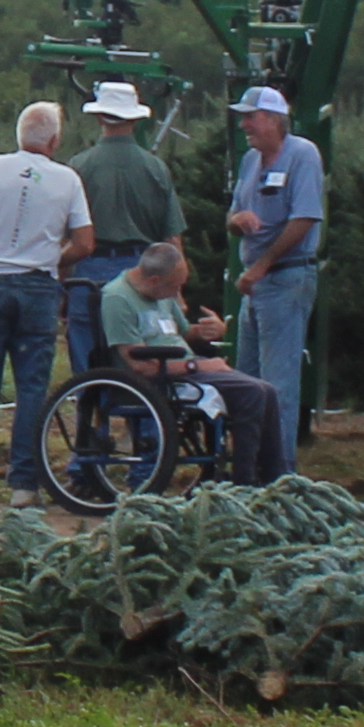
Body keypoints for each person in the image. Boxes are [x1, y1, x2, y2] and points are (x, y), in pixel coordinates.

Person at [0, 104, 94, 505]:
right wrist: (51, 259)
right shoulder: (67, 179)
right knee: (31, 387)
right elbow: (84, 243)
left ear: (19, 135)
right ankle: (24, 485)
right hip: (37, 289)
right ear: (54, 140)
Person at [96, 236, 291, 483]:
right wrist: (198, 365)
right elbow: (140, 366)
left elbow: (184, 332)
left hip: (185, 366)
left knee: (268, 391)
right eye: (175, 286)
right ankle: (245, 481)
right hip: (161, 378)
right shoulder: (117, 299)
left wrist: (211, 330)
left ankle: (275, 477)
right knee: (251, 392)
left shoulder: (160, 293)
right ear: (155, 280)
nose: (178, 293)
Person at [64, 81, 182, 382]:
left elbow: (66, 235)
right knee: (143, 356)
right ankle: (143, 422)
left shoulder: (78, 167)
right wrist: (176, 291)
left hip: (88, 269)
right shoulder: (155, 168)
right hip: (142, 272)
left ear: (100, 117)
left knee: (88, 355)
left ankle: (92, 421)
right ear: (134, 118)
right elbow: (172, 239)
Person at [226, 85, 328, 419]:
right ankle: (249, 465)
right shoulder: (249, 161)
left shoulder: (302, 154)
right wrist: (237, 220)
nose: (244, 125)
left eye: (250, 117)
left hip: (286, 280)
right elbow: (232, 217)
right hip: (256, 286)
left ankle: (279, 468)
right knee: (248, 379)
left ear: (273, 119)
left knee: (277, 384)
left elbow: (305, 217)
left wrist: (263, 265)